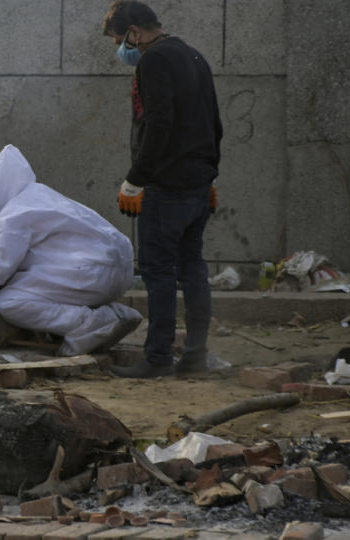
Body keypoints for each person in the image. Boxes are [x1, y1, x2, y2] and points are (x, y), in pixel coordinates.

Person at [0, 145, 142, 357]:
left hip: (94, 273)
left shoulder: (11, 215)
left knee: (9, 302)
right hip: (118, 270)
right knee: (34, 287)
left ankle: (93, 324)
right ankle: (117, 314)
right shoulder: (37, 193)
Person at [103, 1, 222, 378]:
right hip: (197, 186)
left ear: (136, 33)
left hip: (166, 187)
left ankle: (157, 359)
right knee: (193, 269)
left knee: (158, 271)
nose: (121, 48)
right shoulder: (194, 55)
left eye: (121, 40)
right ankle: (195, 357)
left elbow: (158, 123)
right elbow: (213, 122)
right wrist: (209, 177)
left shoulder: (153, 61)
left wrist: (135, 179)